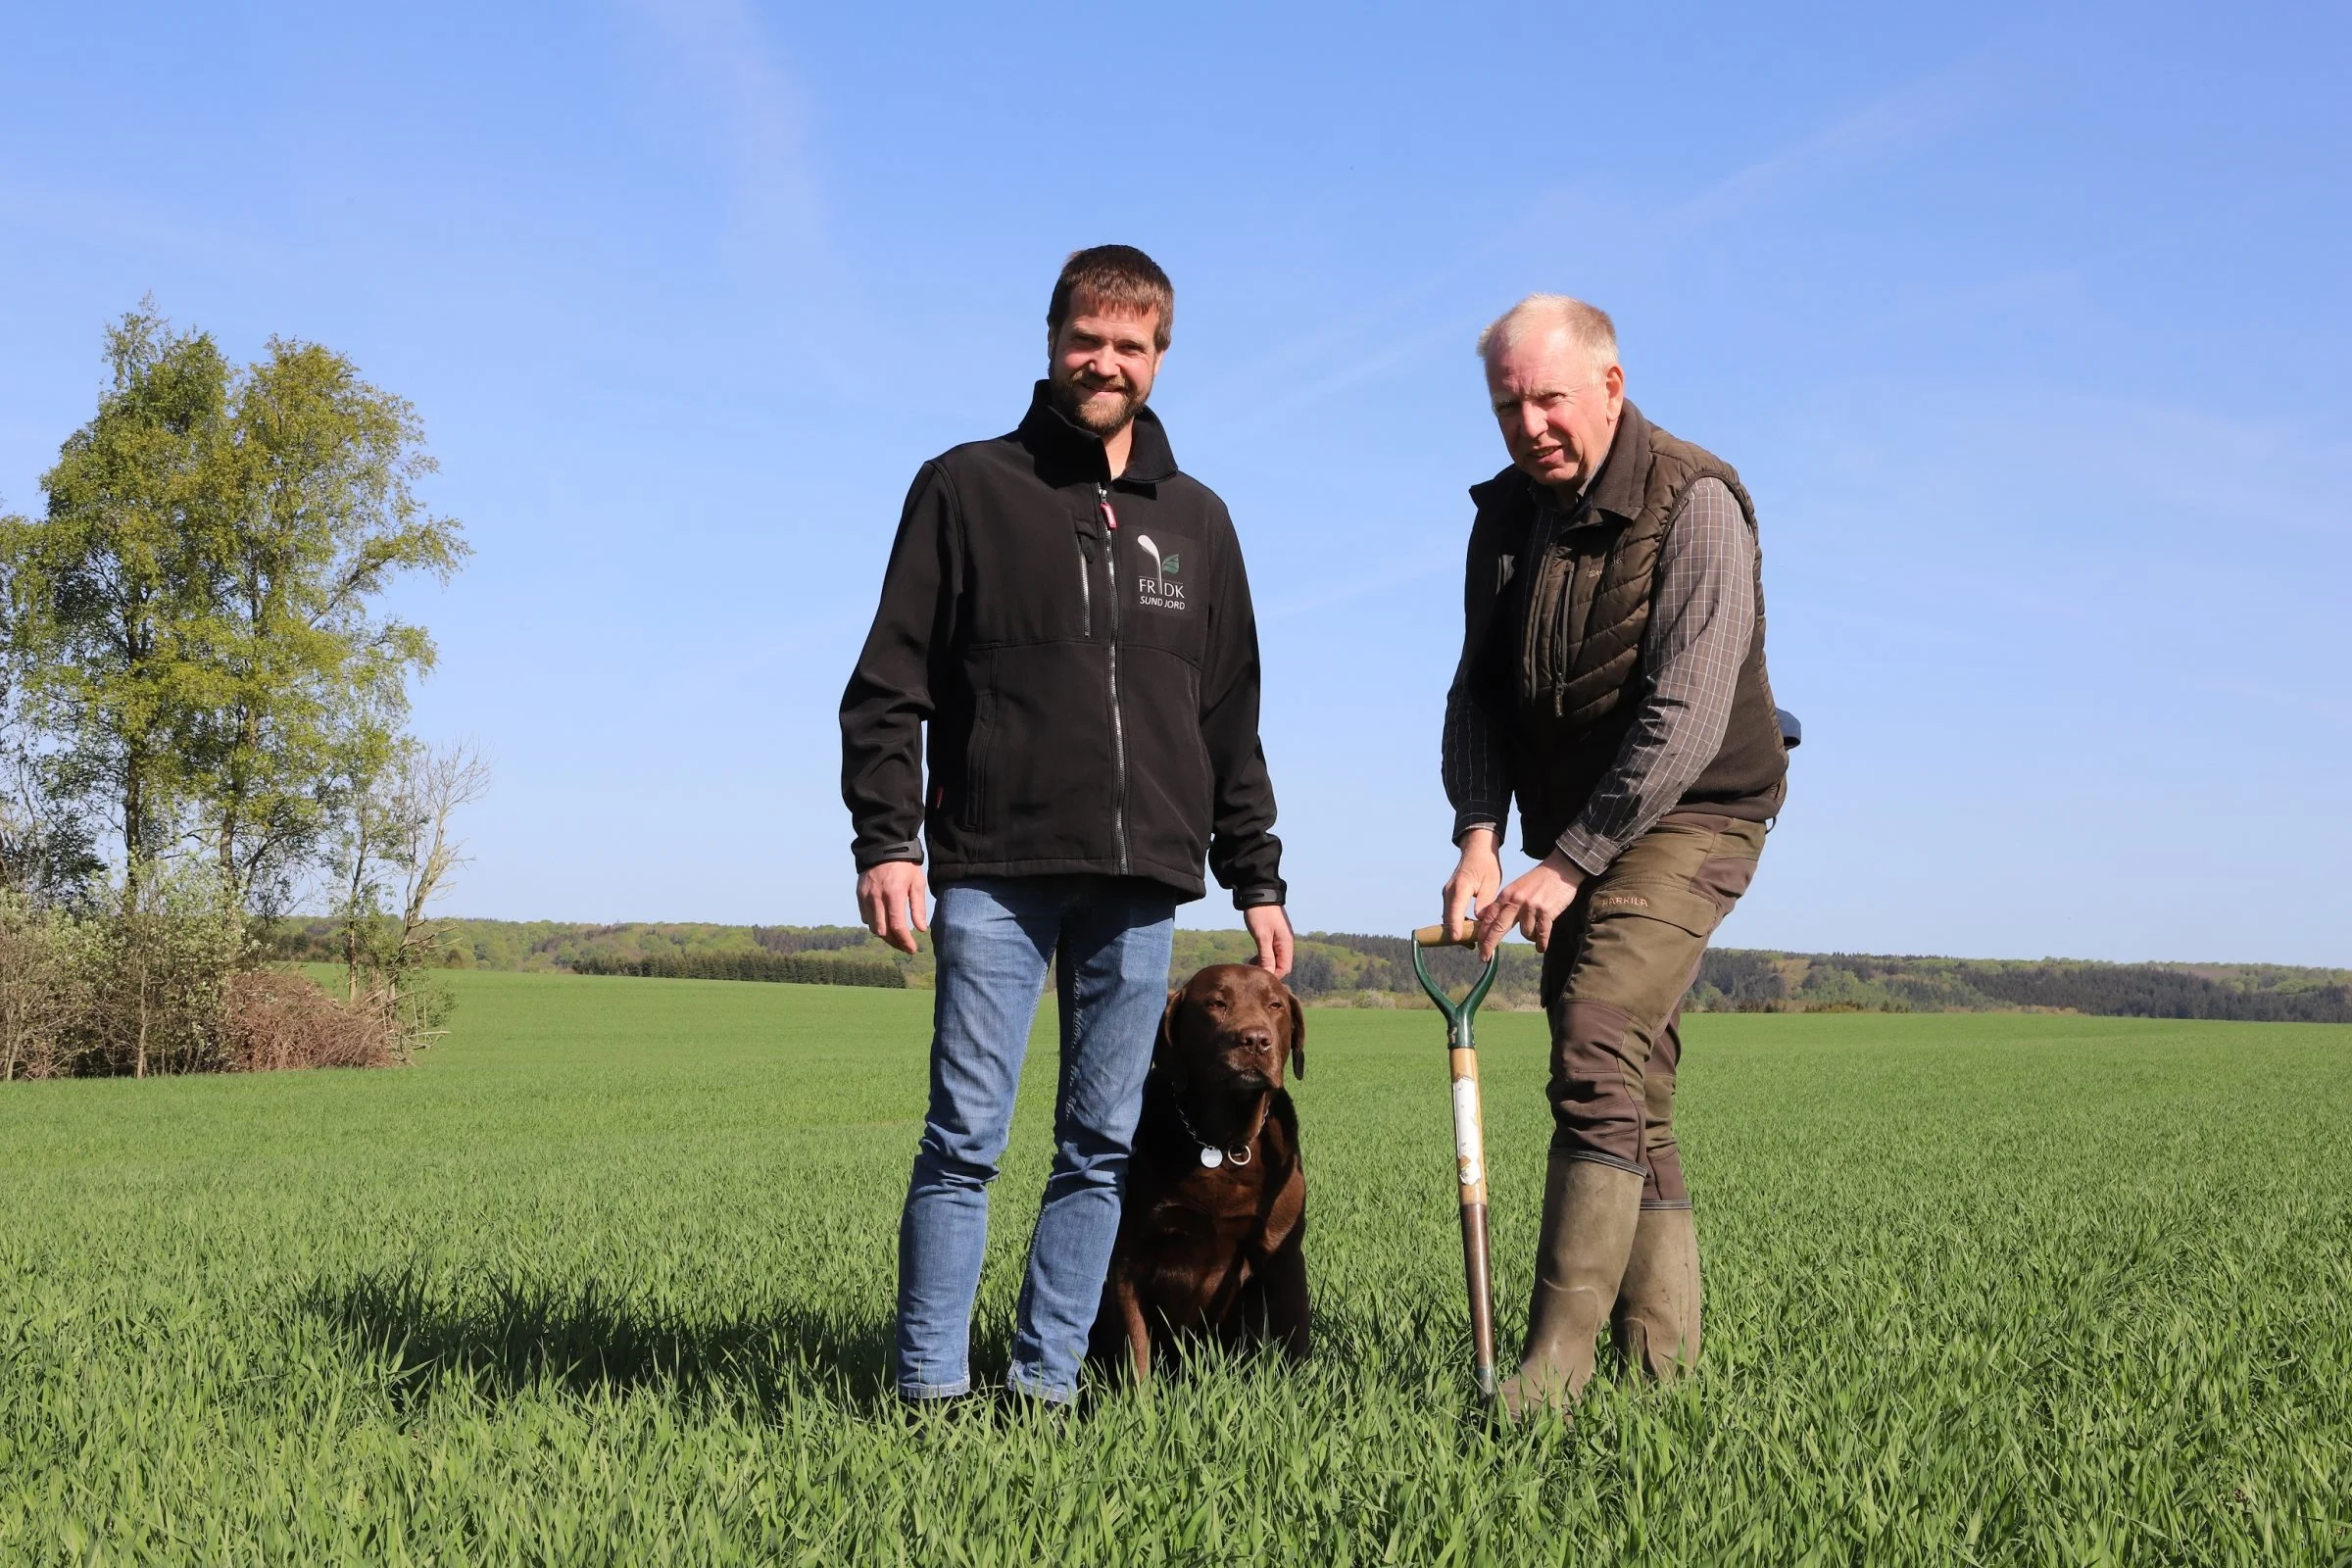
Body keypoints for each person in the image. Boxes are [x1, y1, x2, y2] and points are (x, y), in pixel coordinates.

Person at [841, 244, 1294, 1405]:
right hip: (995, 864)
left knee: (1097, 1148)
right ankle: (929, 1395)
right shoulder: (967, 487)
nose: (1106, 362)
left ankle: (1043, 1391)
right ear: (1051, 343)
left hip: (1144, 876)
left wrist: (1257, 873)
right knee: (964, 1141)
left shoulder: (1201, 522)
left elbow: (1230, 713)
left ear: (1161, 357)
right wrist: (889, 839)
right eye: (1086, 340)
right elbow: (891, 684)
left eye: (1130, 346)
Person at [1438, 294, 1789, 1418]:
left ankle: (1551, 1376)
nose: (1531, 424)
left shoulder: (1698, 503)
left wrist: (1572, 859)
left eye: (1549, 398)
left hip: (1695, 812)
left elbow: (1684, 715)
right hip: (1574, 830)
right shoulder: (1505, 520)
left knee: (1592, 1035)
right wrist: (1482, 837)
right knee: (1632, 1080)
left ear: (1611, 387)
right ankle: (1664, 1371)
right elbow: (1479, 696)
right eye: (1509, 405)